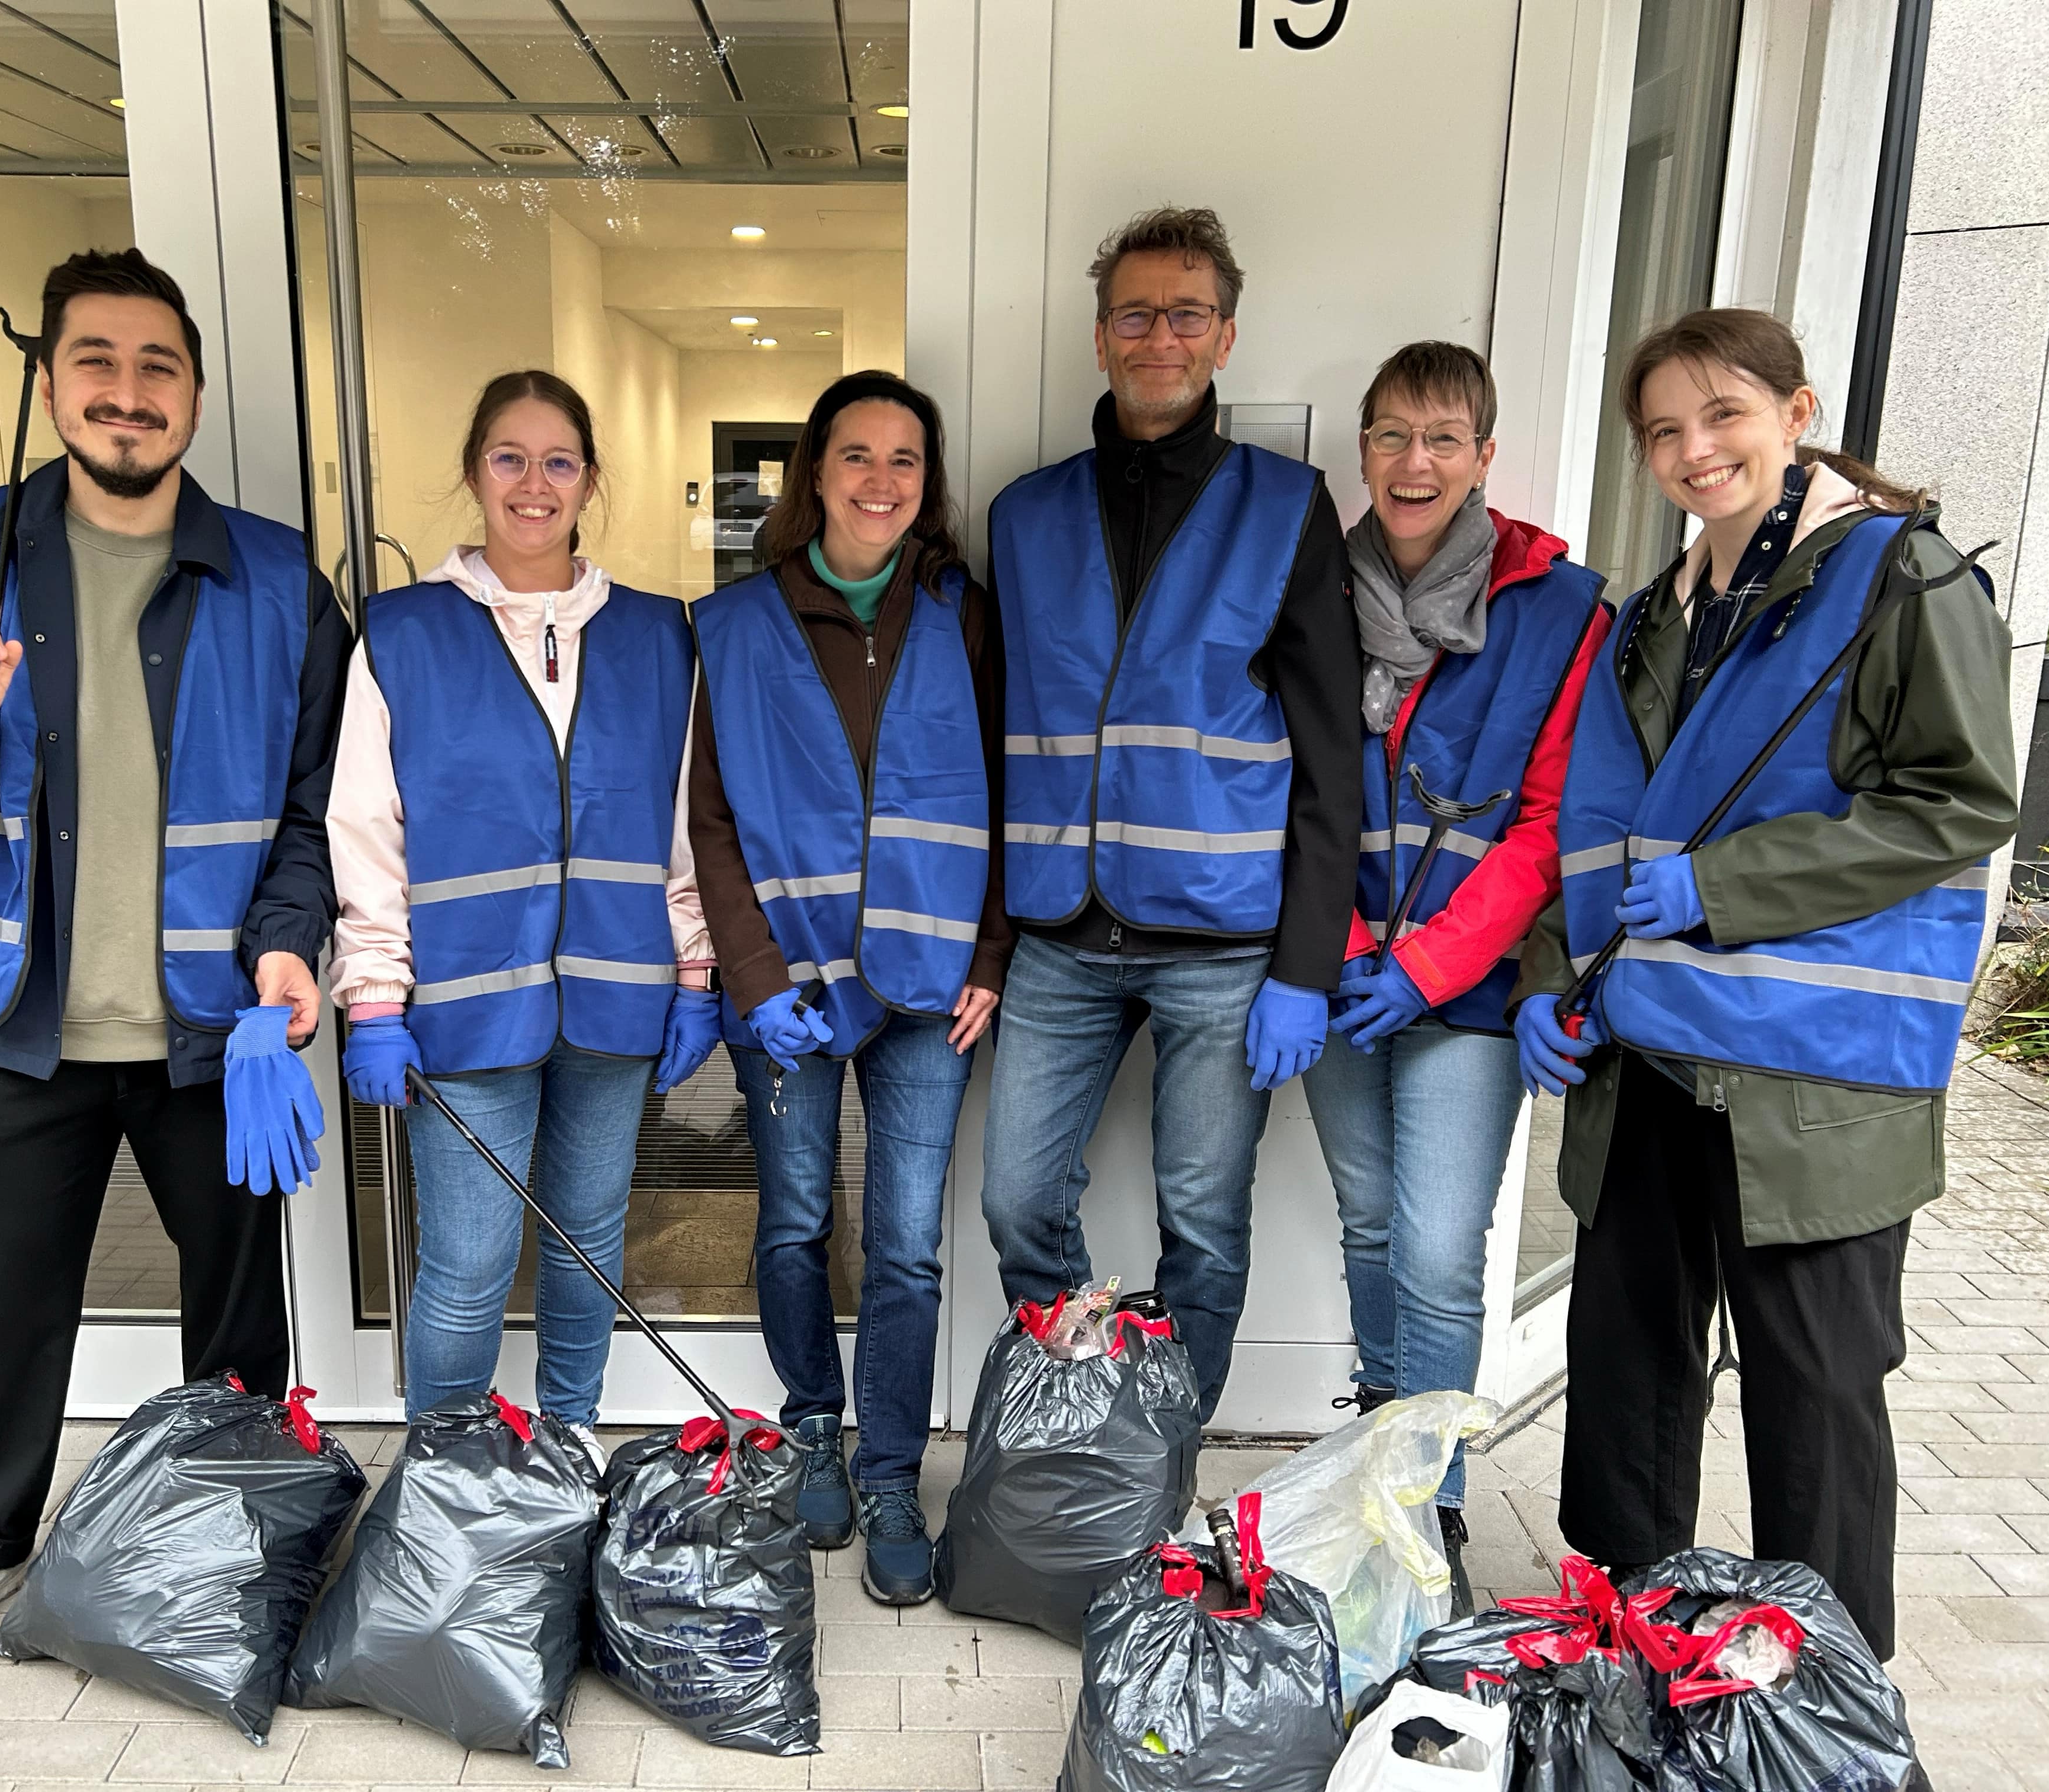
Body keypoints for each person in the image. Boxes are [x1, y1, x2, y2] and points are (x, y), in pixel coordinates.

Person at [0, 249, 350, 1686]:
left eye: (157, 366)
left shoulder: (277, 581)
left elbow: (314, 809)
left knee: (238, 1326)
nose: (129, 393)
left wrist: (288, 947)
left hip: (211, 1035)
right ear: (52, 387)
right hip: (17, 1027)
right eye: (97, 364)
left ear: (195, 394)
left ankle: (236, 1552)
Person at [1513, 308, 2016, 1662]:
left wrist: (1726, 888)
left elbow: (1960, 804)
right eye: (1664, 431)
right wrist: (1551, 982)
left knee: (1816, 1386)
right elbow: (1601, 833)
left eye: (1723, 414)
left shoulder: (1905, 581)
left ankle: (1828, 1681)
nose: (1694, 450)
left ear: (1798, 413)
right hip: (1647, 1054)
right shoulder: (1654, 618)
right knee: (1630, 1369)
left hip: (1812, 1073)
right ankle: (1627, 1635)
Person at [979, 206, 1362, 1417]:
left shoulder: (1287, 506)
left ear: (1225, 336)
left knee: (1202, 1219)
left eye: (1187, 314)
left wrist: (1305, 969)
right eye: (1136, 315)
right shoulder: (1023, 515)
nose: (1161, 337)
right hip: (1058, 930)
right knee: (1017, 1197)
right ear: (1101, 338)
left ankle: (1161, 1450)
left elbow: (1332, 752)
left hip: (1223, 941)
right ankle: (1078, 1415)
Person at [326, 370, 709, 1443]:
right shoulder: (402, 635)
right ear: (473, 472)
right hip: (463, 1007)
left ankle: (568, 1450)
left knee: (587, 1247)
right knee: (467, 1265)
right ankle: (445, 1480)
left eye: (558, 462)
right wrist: (375, 998)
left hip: (618, 1003)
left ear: (589, 479)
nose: (533, 484)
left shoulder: (660, 637)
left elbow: (686, 819)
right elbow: (365, 827)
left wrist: (695, 972)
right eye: (510, 458)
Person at [1299, 341, 1609, 1615]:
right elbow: (1283, 787)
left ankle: (1429, 1510)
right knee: (1370, 1229)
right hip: (1333, 973)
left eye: (1442, 439)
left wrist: (1427, 966)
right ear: (1362, 450)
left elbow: (1548, 823)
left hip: (1469, 990)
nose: (1414, 463)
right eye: (1391, 436)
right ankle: (1383, 1458)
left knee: (1435, 1252)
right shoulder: (1311, 590)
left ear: (1485, 455)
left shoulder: (1563, 608)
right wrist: (1339, 950)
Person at [690, 371, 1007, 1606]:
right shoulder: (736, 624)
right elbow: (711, 818)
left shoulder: (964, 617)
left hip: (931, 981)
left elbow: (1010, 788)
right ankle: (813, 1426)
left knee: (908, 1248)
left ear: (929, 483)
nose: (881, 480)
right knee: (794, 1221)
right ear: (814, 472)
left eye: (905, 459)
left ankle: (889, 1475)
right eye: (858, 456)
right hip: (792, 982)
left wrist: (989, 955)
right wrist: (752, 976)